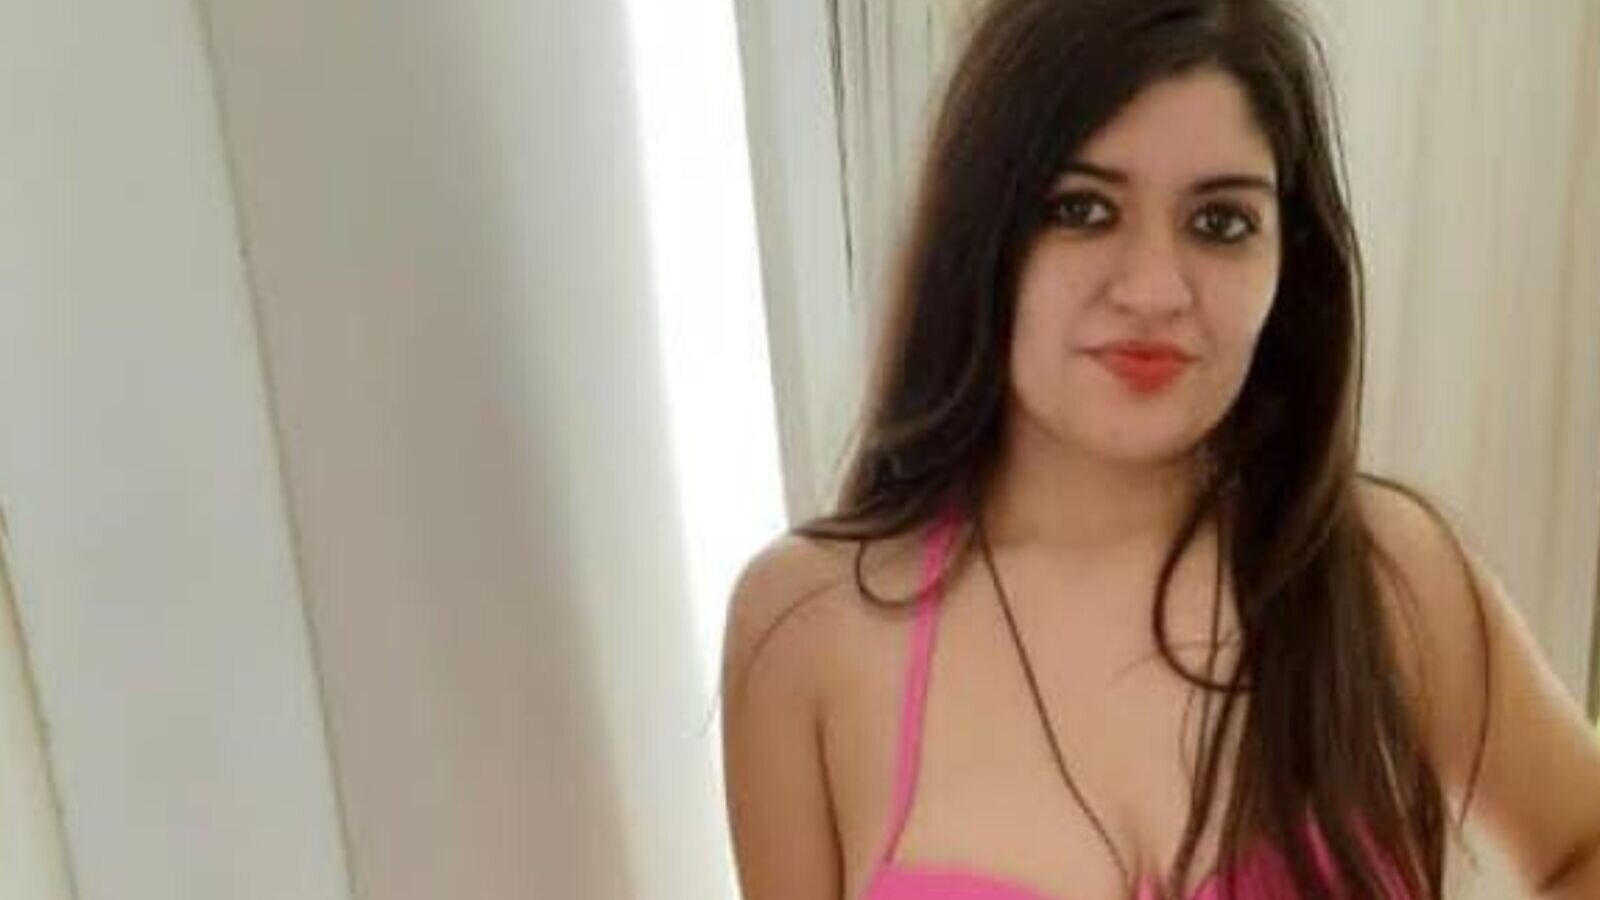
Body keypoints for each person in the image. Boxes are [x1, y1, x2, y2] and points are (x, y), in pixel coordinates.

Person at [719, 1, 1600, 898]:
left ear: (1287, 258)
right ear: (980, 231)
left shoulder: (1384, 570)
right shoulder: (805, 627)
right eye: (1082, 209)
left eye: (1220, 223)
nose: (1153, 290)